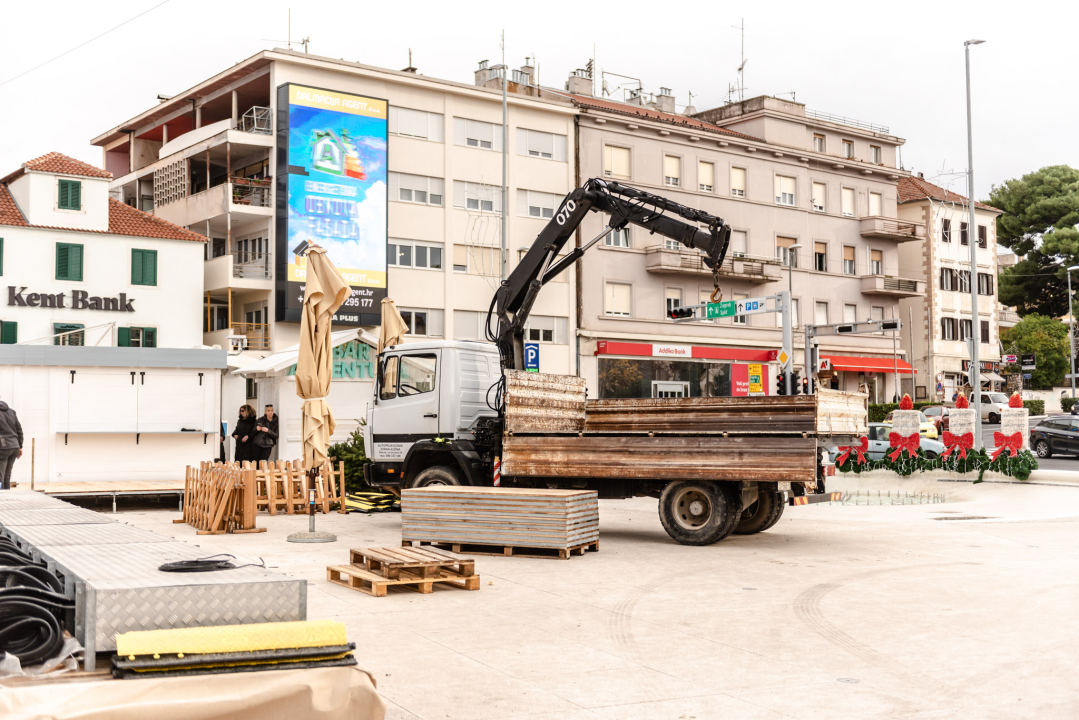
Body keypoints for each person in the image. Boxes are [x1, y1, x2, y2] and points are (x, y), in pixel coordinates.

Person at [0, 400, 23, 490]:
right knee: (6, 476)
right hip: (14, 446)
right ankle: (7, 498)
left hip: (3, 447)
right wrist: (20, 446)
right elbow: (19, 430)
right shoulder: (11, 412)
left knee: (0, 476)